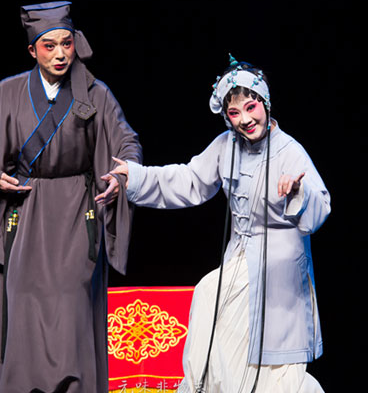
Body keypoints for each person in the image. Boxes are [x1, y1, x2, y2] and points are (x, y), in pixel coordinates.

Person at [0, 1, 142, 393]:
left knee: (71, 311)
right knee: (25, 309)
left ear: (76, 44)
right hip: (27, 212)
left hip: (76, 216)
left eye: (66, 44)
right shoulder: (9, 92)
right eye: (49, 45)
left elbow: (126, 140)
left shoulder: (95, 93)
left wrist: (122, 174)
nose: (59, 54)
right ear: (32, 51)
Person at [108, 57, 330, 392]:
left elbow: (321, 208)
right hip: (239, 259)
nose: (244, 120)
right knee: (210, 302)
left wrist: (298, 193)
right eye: (234, 113)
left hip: (278, 269)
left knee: (272, 368)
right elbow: (189, 179)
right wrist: (136, 175)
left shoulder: (289, 151)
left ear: (265, 103)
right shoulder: (226, 146)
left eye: (250, 107)